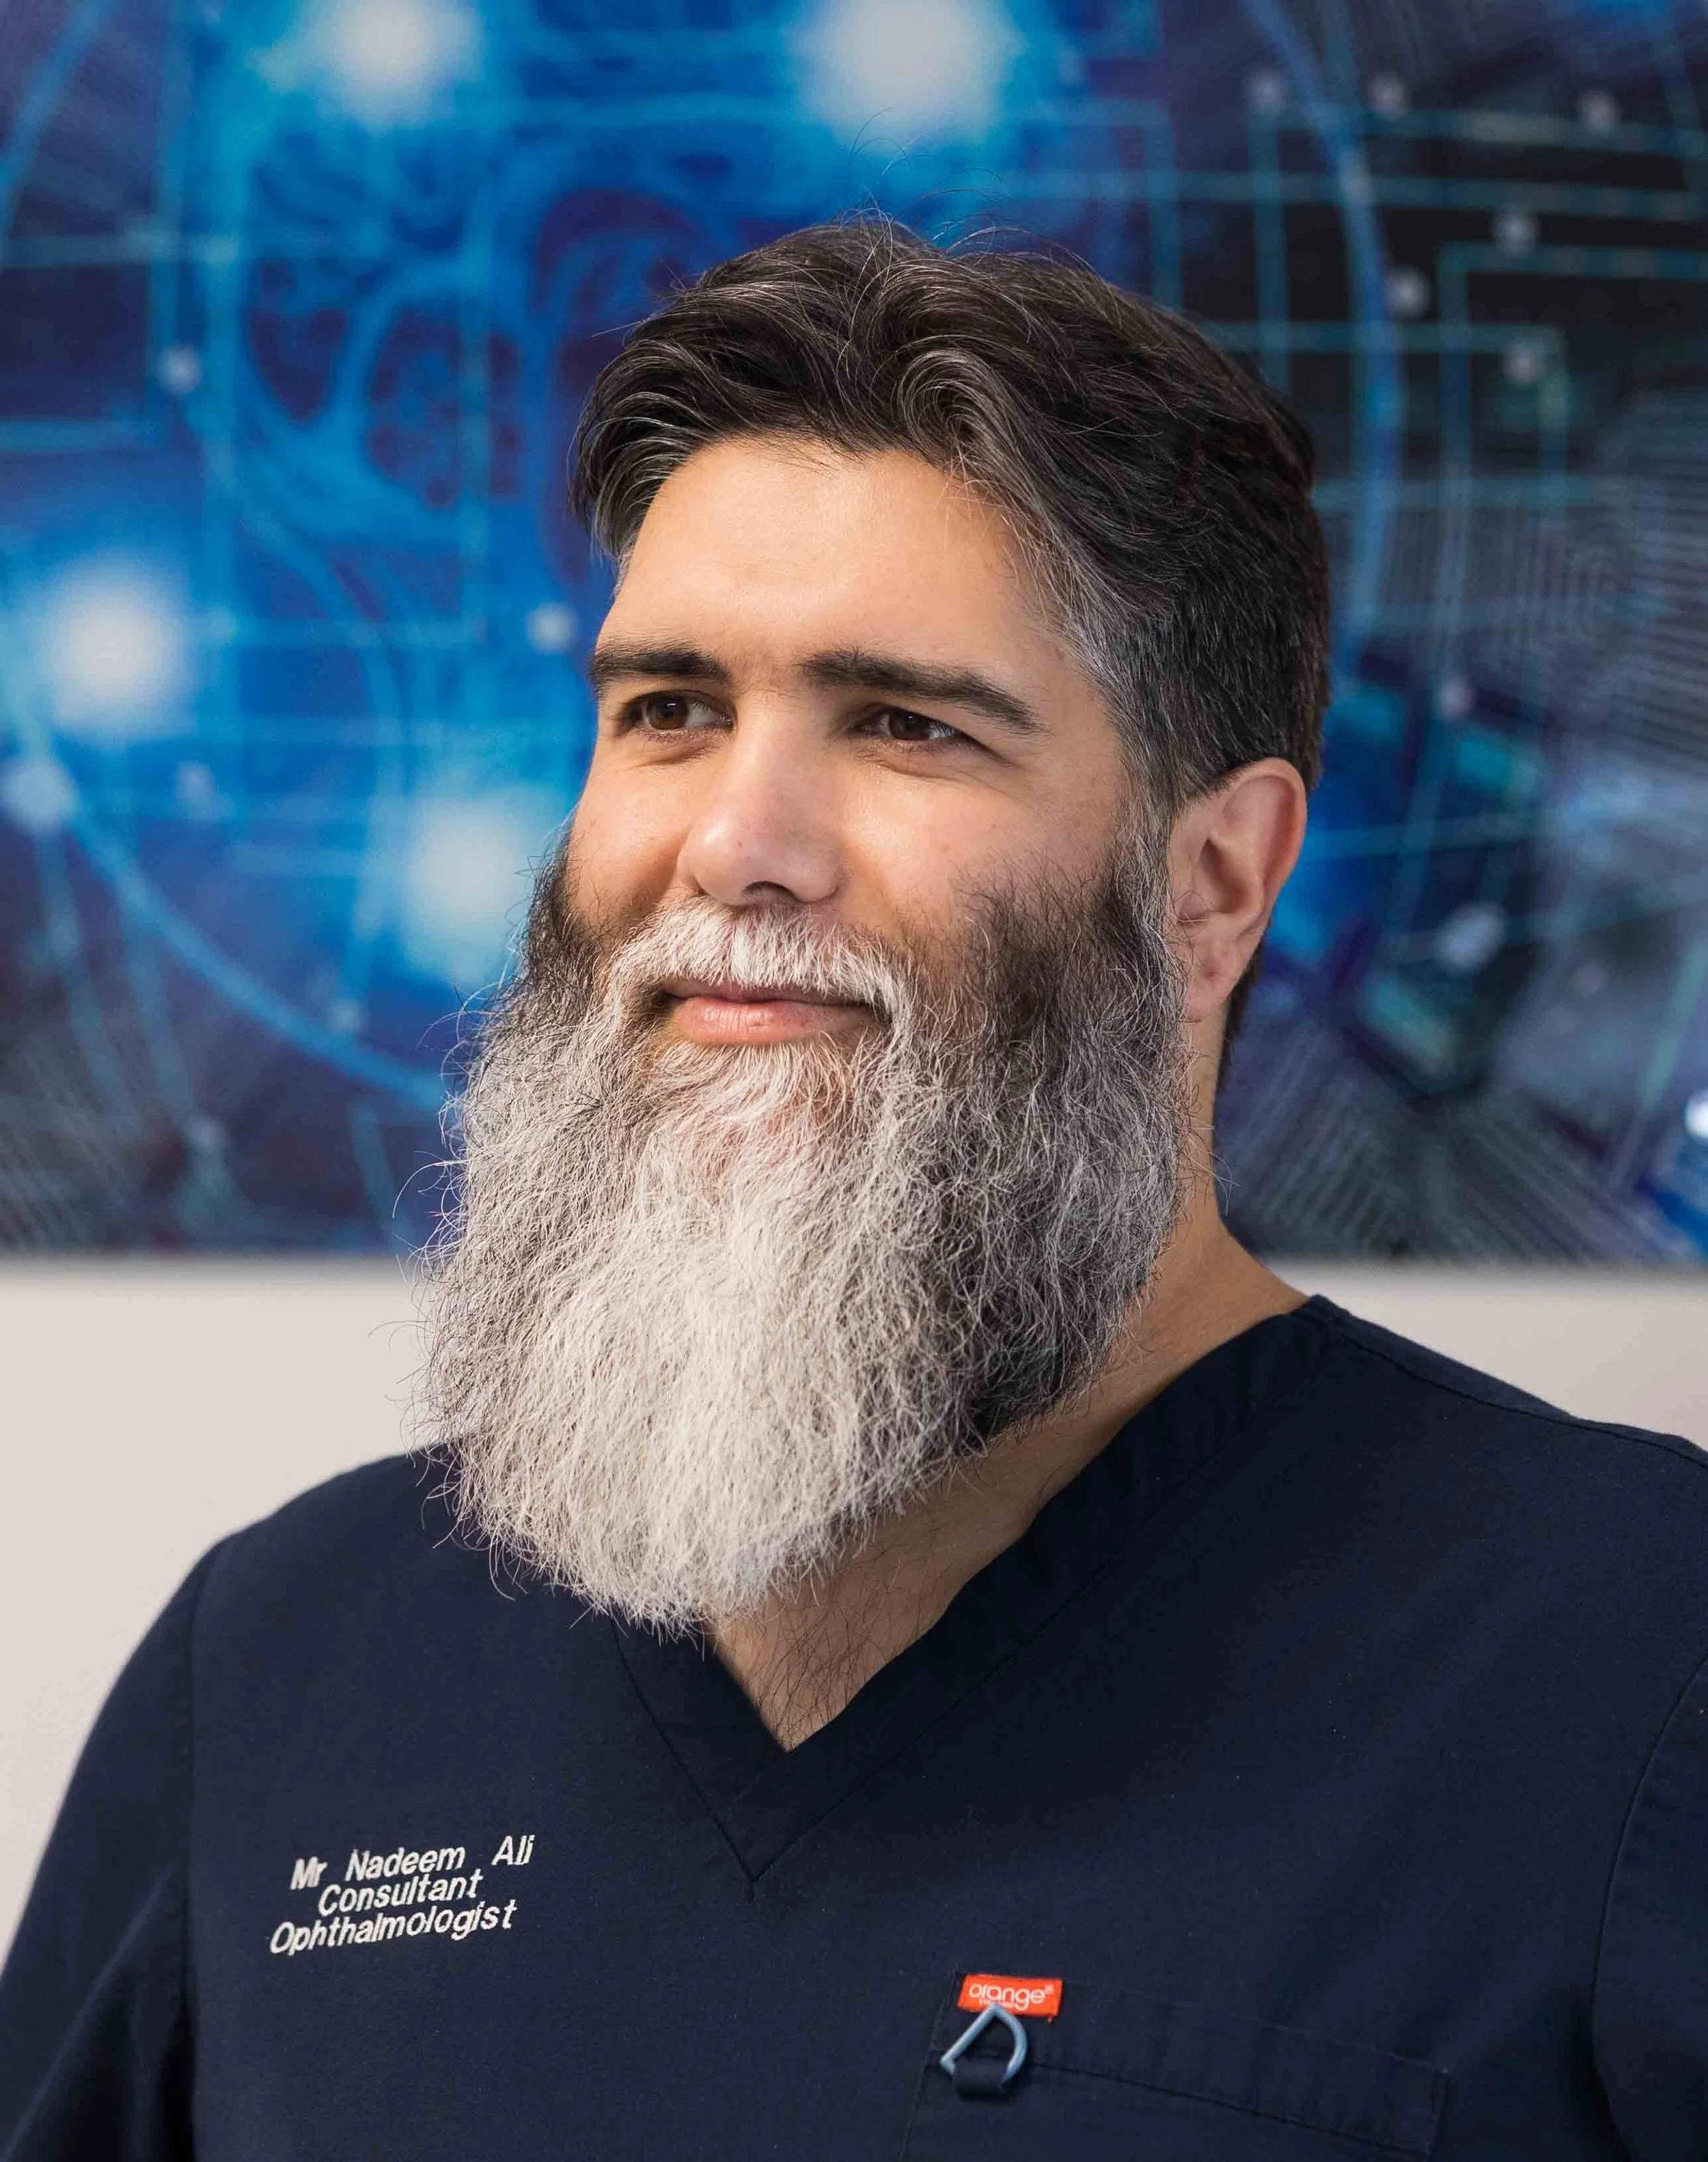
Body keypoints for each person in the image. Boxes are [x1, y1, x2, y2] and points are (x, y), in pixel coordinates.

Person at [2, 217, 1703, 2162]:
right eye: (667, 711)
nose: (739, 841)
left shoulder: (1633, 1667)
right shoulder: (289, 1666)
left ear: (1214, 879)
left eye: (902, 723)